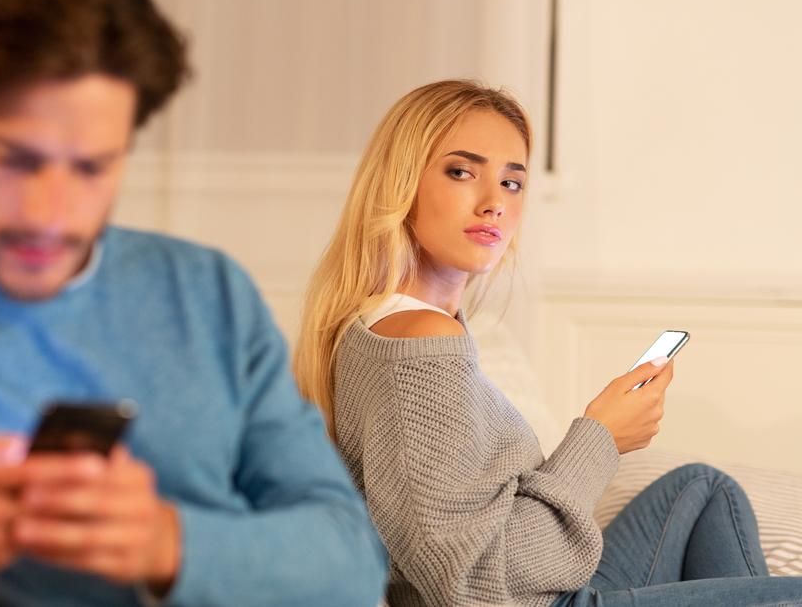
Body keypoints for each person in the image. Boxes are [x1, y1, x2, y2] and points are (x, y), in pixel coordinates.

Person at [0, 0, 387, 605]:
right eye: (16, 159)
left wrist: (165, 542)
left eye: (92, 168)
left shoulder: (207, 296)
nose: (50, 214)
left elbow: (351, 561)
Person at [294, 79, 802, 607]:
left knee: (700, 490)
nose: (494, 203)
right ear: (400, 184)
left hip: (547, 588)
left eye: (512, 183)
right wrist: (601, 437)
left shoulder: (398, 326)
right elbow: (469, 584)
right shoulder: (420, 342)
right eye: (462, 172)